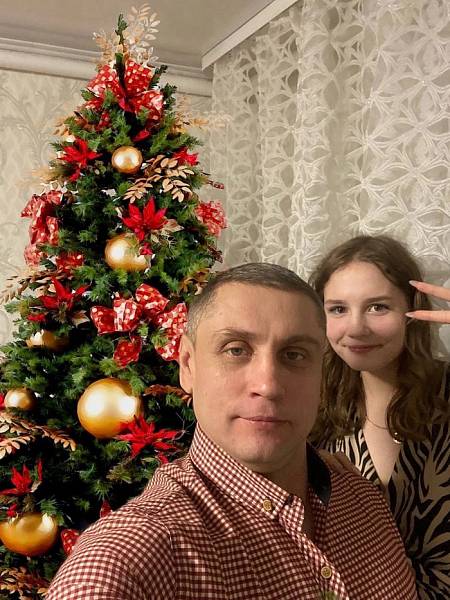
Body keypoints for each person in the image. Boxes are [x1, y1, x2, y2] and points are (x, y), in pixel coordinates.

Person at [47, 263, 418, 600]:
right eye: (236, 350)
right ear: (188, 365)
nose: (268, 385)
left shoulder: (362, 501)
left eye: (294, 354)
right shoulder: (135, 553)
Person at [309, 235, 450, 600]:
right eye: (338, 309)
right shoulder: (311, 408)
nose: (356, 328)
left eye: (377, 307)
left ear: (412, 309)